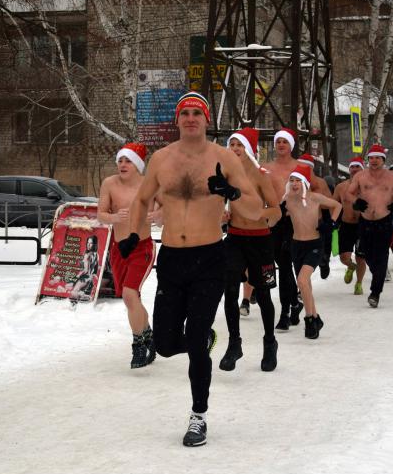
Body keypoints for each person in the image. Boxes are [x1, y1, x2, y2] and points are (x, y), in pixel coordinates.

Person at [123, 91, 262, 447]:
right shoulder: (162, 159)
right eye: (184, 113)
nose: (189, 118)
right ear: (177, 120)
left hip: (209, 259)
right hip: (172, 258)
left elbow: (256, 209)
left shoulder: (223, 158)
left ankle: (198, 416)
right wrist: (135, 237)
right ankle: (199, 341)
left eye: (196, 113)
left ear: (207, 119)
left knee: (197, 341)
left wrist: (230, 191)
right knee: (167, 345)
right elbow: (141, 200)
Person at [219, 127, 282, 372]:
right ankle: (234, 343)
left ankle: (269, 342)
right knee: (230, 289)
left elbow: (276, 210)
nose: (234, 149)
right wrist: (221, 215)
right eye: (232, 144)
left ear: (248, 150)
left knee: (264, 295)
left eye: (239, 145)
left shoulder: (260, 176)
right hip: (234, 238)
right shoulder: (224, 174)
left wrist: (260, 214)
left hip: (260, 240)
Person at [98, 143, 157, 369]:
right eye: (120, 160)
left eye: (128, 161)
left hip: (142, 248)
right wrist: (114, 218)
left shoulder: (149, 185)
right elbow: (101, 214)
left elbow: (165, 210)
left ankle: (138, 345)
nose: (123, 165)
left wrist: (155, 215)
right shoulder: (109, 184)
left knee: (129, 294)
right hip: (118, 247)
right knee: (131, 298)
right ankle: (148, 334)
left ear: (138, 165)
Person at [346, 144, 393, 307]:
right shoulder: (360, 176)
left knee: (381, 255)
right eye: (371, 157)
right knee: (367, 254)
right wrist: (356, 202)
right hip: (365, 221)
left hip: (384, 220)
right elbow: (350, 192)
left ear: (383, 160)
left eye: (377, 158)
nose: (374, 160)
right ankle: (378, 274)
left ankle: (375, 292)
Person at [285, 165, 342, 337]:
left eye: (298, 181)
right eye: (292, 180)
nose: (295, 184)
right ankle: (316, 317)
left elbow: (337, 205)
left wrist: (331, 223)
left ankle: (309, 319)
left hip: (314, 245)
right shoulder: (287, 199)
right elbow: (273, 209)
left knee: (302, 281)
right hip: (296, 246)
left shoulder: (315, 198)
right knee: (305, 284)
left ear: (305, 183)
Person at [264, 128, 304, 330]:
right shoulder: (265, 168)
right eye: (278, 141)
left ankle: (285, 312)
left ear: (291, 146)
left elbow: (310, 191)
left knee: (286, 266)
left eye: (285, 142)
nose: (281, 145)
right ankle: (295, 303)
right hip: (273, 221)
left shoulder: (300, 167)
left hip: (293, 221)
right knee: (279, 264)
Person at [332, 156, 367, 294]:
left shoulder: (367, 187)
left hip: (362, 226)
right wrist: (333, 220)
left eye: (357, 167)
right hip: (346, 225)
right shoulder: (341, 187)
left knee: (361, 257)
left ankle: (359, 283)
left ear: (362, 169)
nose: (354, 169)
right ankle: (351, 267)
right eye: (352, 167)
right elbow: (333, 204)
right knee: (343, 257)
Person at [298, 153, 335, 280]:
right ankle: (301, 287)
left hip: (318, 220)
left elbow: (331, 205)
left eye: (306, 167)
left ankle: (324, 261)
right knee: (301, 257)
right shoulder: (293, 181)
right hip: (299, 223)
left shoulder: (320, 183)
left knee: (321, 251)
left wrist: (330, 222)